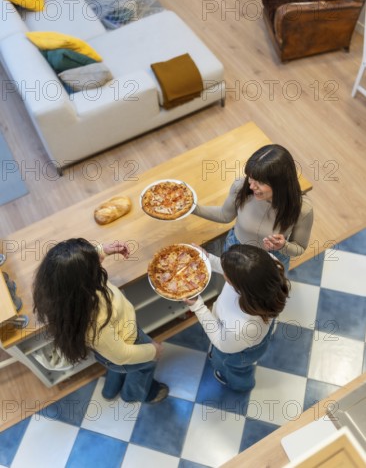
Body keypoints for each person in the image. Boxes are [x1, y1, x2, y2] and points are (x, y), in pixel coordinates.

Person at [32, 238, 169, 404]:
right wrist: (153, 351)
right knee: (144, 367)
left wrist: (100, 251)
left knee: (116, 365)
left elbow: (70, 268)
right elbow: (122, 355)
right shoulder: (95, 321)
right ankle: (133, 394)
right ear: (85, 280)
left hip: (108, 351)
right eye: (94, 267)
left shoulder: (60, 294)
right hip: (129, 342)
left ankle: (110, 390)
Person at [185, 244, 291, 392]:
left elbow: (221, 342)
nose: (224, 273)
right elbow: (239, 270)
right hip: (245, 337)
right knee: (222, 354)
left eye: (226, 274)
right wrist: (206, 259)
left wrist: (197, 306)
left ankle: (241, 385)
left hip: (239, 353)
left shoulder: (243, 328)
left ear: (240, 286)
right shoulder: (268, 267)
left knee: (232, 367)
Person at [193, 144, 313, 272]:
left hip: (272, 259)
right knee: (232, 285)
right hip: (235, 248)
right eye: (251, 177)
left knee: (268, 291)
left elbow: (299, 247)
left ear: (280, 184)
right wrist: (193, 208)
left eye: (260, 182)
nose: (251, 186)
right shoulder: (241, 187)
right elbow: (224, 215)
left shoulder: (302, 209)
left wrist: (283, 246)